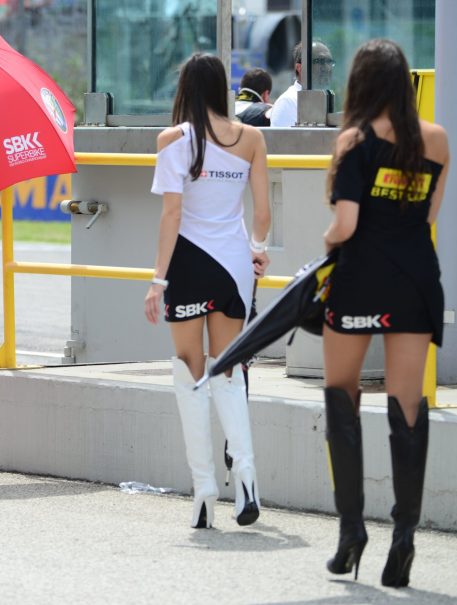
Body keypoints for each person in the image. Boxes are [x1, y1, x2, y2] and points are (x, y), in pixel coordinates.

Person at [321, 39, 449, 588]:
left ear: (362, 83)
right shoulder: (437, 140)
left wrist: (324, 241)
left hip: (358, 281)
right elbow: (429, 213)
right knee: (408, 404)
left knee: (341, 394)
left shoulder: (353, 141)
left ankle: (352, 534)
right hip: (416, 281)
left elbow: (345, 225)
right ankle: (404, 538)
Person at [144, 53, 271, 529]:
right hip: (235, 266)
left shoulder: (172, 139)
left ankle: (203, 491)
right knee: (228, 370)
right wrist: (257, 250)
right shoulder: (251, 137)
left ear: (184, 88)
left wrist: (158, 280)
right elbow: (261, 212)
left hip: (188, 266)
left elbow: (172, 216)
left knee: (189, 373)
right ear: (221, 87)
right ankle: (248, 479)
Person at [270, 41, 335, 127]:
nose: (327, 67)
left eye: (329, 61)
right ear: (299, 68)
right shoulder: (288, 102)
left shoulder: (328, 99)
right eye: (320, 61)